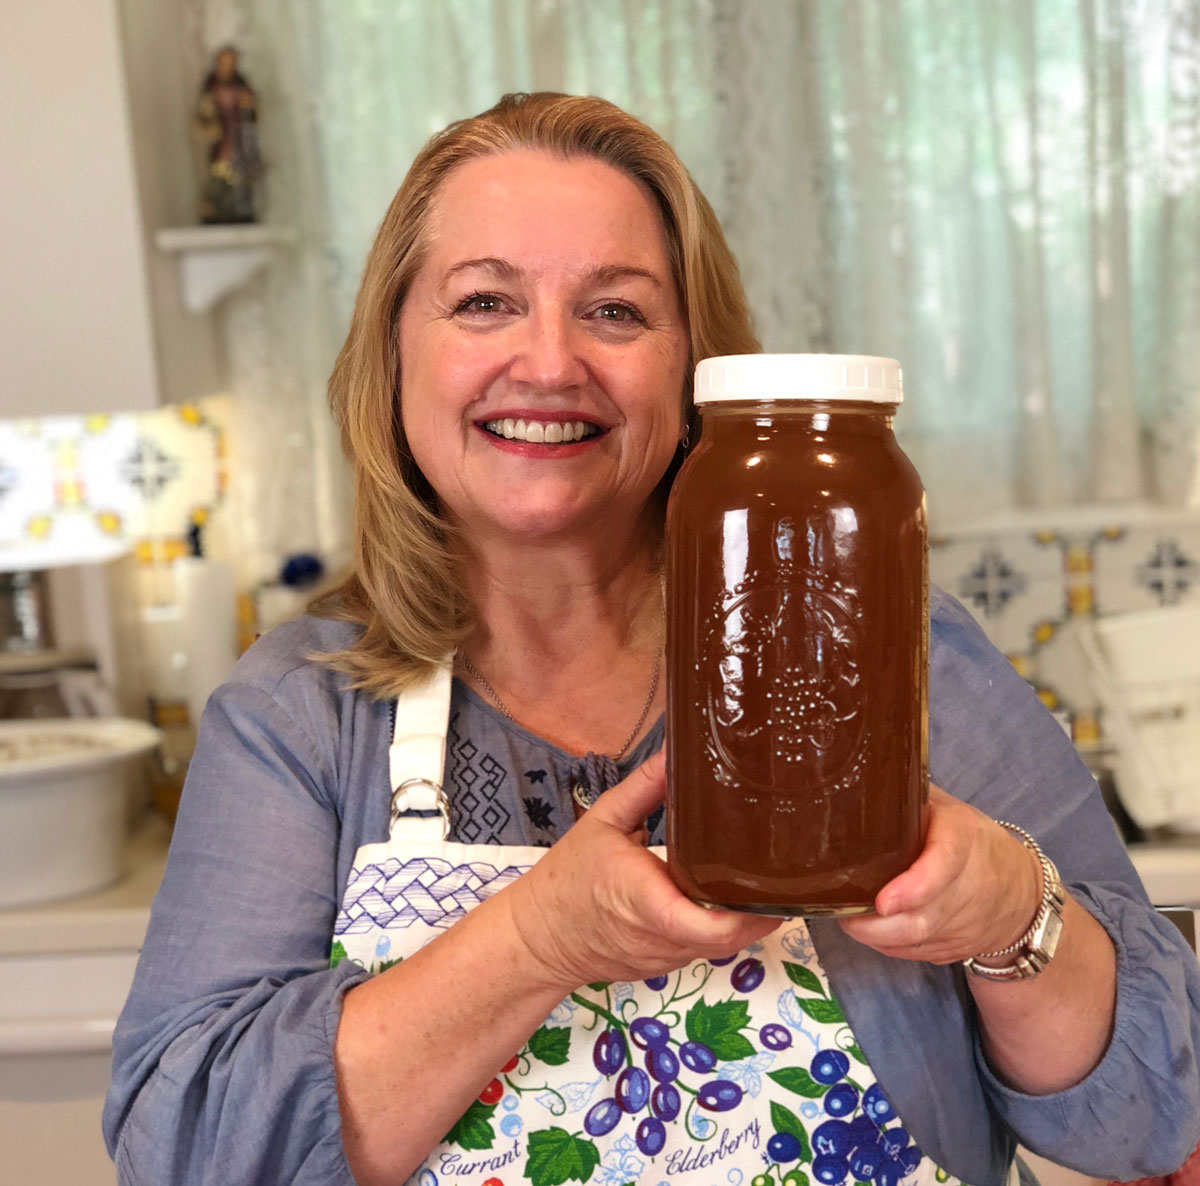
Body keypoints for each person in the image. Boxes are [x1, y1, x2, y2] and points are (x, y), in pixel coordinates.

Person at [104, 92, 1200, 1186]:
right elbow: (185, 1154)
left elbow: (1154, 1111)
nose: (549, 363)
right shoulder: (301, 713)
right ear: (392, 355)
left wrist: (1013, 913)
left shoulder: (894, 651)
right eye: (484, 302)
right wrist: (543, 937)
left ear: (696, 372)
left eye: (616, 312)